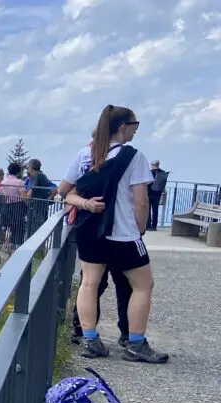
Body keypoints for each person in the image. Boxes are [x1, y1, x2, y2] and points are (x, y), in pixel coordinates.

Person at [57, 104, 168, 363]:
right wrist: (139, 228)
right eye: (134, 126)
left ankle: (90, 340)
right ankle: (136, 344)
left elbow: (64, 190)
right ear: (122, 127)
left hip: (90, 231)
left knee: (89, 282)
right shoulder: (134, 157)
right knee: (143, 285)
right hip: (122, 234)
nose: (135, 131)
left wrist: (85, 204)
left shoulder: (85, 154)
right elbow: (141, 201)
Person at [0, 162, 27, 249]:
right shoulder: (20, 182)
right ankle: (17, 245)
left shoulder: (3, 182)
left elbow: (2, 197)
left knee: (9, 226)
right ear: (18, 172)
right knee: (19, 227)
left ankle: (8, 244)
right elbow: (24, 197)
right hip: (18, 207)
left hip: (7, 206)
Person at [27, 159, 56, 234]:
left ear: (31, 167)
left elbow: (34, 187)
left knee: (36, 224)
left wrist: (28, 195)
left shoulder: (36, 175)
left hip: (37, 204)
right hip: (42, 203)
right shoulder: (42, 174)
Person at [148, 160, 168, 231]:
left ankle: (148, 226)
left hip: (149, 193)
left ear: (152, 165)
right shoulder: (162, 173)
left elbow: (147, 183)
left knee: (148, 210)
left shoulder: (150, 173)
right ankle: (154, 226)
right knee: (155, 210)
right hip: (158, 194)